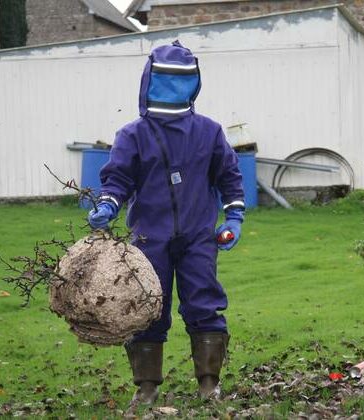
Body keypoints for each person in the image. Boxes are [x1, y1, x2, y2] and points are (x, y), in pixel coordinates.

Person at [87, 41, 245, 410]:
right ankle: (146, 387)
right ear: (150, 82)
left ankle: (209, 384)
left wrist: (234, 217)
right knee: (146, 309)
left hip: (199, 238)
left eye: (179, 81)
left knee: (204, 304)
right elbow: (118, 179)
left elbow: (230, 178)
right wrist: (107, 205)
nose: (171, 89)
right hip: (147, 240)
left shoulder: (209, 132)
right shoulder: (133, 135)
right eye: (166, 80)